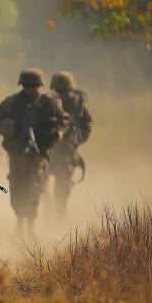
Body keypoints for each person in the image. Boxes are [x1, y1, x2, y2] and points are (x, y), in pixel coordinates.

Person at [0, 68, 69, 234]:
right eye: (27, 86)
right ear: (22, 86)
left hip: (40, 152)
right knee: (17, 186)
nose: (30, 89)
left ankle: (31, 224)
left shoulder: (50, 103)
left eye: (34, 86)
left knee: (34, 185)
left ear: (39, 86)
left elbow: (64, 120)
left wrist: (56, 132)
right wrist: (13, 129)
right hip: (17, 152)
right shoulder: (12, 102)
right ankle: (20, 221)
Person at [47, 71, 93, 217]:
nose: (62, 94)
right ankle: (45, 215)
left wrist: (77, 140)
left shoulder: (78, 104)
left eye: (65, 91)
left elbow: (87, 124)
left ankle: (60, 216)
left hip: (67, 152)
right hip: (48, 149)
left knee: (62, 187)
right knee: (40, 185)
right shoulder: (48, 102)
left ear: (70, 89)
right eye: (59, 91)